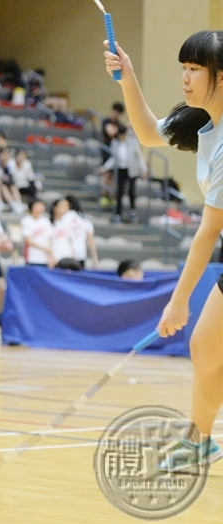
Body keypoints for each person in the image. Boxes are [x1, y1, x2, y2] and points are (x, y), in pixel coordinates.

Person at [104, 30, 223, 471]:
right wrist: (127, 76)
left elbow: (210, 229)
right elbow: (151, 134)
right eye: (184, 68)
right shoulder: (204, 124)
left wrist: (178, 300)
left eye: (195, 69)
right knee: (207, 350)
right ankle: (201, 441)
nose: (185, 78)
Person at [103, 125, 148, 223]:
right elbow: (113, 158)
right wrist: (105, 167)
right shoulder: (115, 143)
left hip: (132, 170)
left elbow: (139, 156)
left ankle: (132, 211)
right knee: (119, 191)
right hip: (121, 169)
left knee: (131, 191)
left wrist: (144, 169)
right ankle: (118, 214)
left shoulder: (132, 142)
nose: (123, 136)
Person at [65, 195, 98, 270]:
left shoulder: (64, 217)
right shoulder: (85, 219)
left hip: (65, 255)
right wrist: (95, 259)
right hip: (81, 254)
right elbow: (91, 241)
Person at [21, 198, 53, 267]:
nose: (40, 208)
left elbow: (49, 238)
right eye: (38, 205)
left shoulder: (46, 221)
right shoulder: (26, 221)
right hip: (32, 257)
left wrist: (50, 253)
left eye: (42, 206)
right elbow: (28, 240)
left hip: (44, 257)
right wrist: (45, 248)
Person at [50, 198, 74, 263]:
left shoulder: (68, 223)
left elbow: (70, 241)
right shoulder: (48, 224)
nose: (65, 209)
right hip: (55, 257)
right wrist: (51, 256)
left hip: (67, 256)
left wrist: (72, 255)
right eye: (63, 206)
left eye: (67, 206)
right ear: (55, 208)